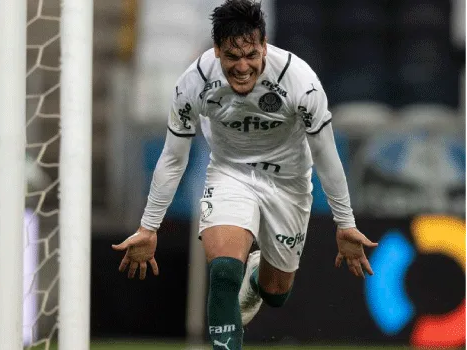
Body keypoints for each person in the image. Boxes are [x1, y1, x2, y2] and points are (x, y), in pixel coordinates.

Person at [111, 1, 378, 349]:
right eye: (231, 58)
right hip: (230, 174)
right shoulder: (194, 83)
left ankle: (255, 280)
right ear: (216, 49)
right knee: (223, 273)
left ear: (264, 45)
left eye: (251, 55)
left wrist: (345, 223)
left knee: (276, 292)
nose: (242, 67)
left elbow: (325, 154)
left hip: (288, 182)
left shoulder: (300, 82)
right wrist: (149, 227)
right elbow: (174, 157)